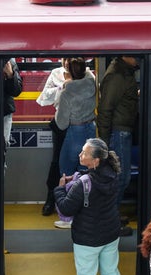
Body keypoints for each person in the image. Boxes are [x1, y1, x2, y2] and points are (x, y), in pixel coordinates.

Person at [54, 138, 128, 275]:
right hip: (110, 234)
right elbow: (95, 182)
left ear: (95, 161)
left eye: (84, 153)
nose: (80, 155)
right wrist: (79, 177)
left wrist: (59, 188)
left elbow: (66, 208)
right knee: (111, 274)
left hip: (87, 239)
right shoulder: (113, 175)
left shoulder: (83, 184)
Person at [97, 56, 139, 237]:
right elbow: (105, 109)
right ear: (125, 55)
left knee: (121, 178)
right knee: (119, 179)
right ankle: (109, 222)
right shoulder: (117, 75)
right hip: (117, 132)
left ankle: (111, 216)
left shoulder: (124, 73)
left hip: (122, 130)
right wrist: (104, 142)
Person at [53, 57, 96, 229]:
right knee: (86, 175)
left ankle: (69, 217)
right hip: (91, 130)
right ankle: (85, 215)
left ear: (68, 72)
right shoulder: (92, 83)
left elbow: (61, 123)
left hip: (75, 132)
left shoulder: (67, 93)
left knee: (67, 173)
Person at [36, 58, 70, 216]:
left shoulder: (86, 74)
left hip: (79, 122)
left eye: (70, 60)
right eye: (65, 59)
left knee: (79, 162)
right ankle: (51, 198)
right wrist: (61, 87)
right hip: (60, 122)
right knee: (56, 161)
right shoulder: (56, 73)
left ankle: (74, 200)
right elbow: (45, 96)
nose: (67, 63)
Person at [3, 58, 23, 146]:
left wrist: (11, 75)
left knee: (2, 146)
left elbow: (16, 91)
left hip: (4, 112)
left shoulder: (10, 61)